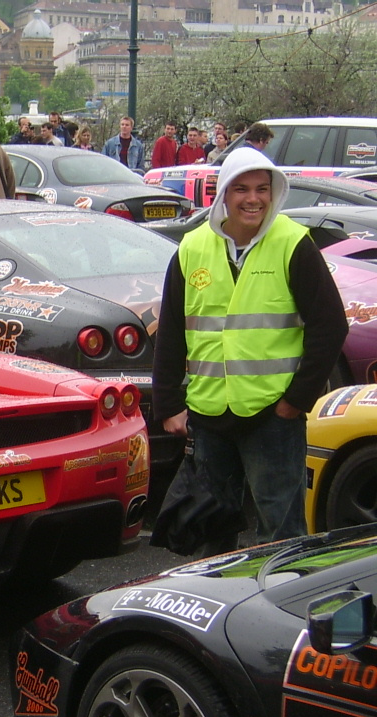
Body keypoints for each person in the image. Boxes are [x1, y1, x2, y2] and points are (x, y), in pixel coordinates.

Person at [153, 147, 348, 552]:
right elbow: (172, 329)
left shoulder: (293, 244)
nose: (253, 199)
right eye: (241, 189)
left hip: (272, 417)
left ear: (274, 193)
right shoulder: (192, 248)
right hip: (209, 414)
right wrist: (169, 403)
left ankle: (278, 608)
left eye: (262, 189)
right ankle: (219, 607)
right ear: (224, 193)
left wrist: (296, 400)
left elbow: (330, 327)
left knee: (280, 532)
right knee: (209, 531)